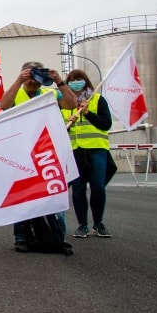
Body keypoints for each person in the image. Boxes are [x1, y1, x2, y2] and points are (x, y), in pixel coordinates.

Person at [0, 60, 78, 252]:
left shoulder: (50, 93)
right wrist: (19, 80)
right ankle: (22, 236)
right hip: (22, 151)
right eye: (30, 76)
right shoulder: (16, 93)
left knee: (51, 192)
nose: (33, 81)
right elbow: (4, 105)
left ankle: (55, 235)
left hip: (47, 150)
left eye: (37, 77)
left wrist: (59, 81)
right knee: (23, 194)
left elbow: (71, 103)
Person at [62, 69, 113, 238]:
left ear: (86, 81)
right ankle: (82, 225)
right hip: (74, 150)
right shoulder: (63, 104)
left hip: (96, 149)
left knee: (98, 186)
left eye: (79, 79)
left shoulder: (98, 100)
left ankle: (98, 223)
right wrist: (67, 124)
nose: (76, 82)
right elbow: (58, 130)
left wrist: (87, 113)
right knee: (78, 188)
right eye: (72, 80)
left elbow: (106, 124)